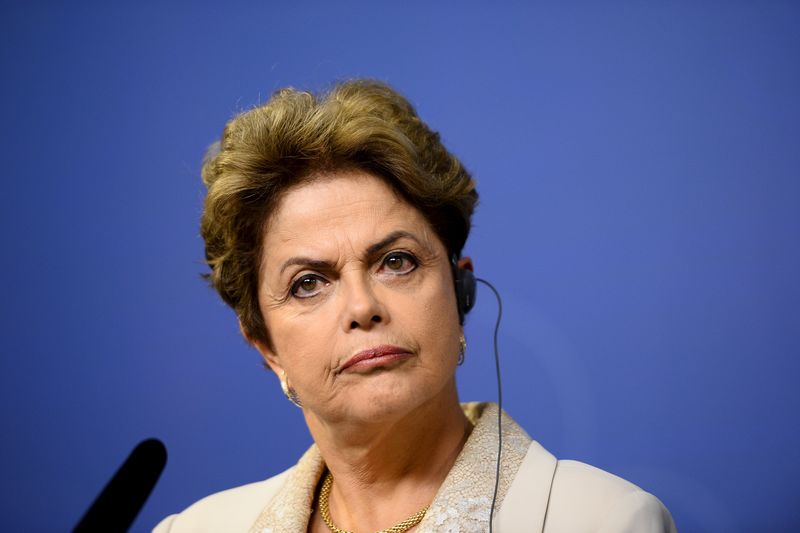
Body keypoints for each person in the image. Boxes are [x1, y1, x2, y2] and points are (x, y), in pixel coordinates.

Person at [154, 80, 676, 532]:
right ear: (265, 345)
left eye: (397, 261)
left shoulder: (605, 521)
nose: (363, 307)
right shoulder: (193, 529)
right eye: (308, 283)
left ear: (458, 291)